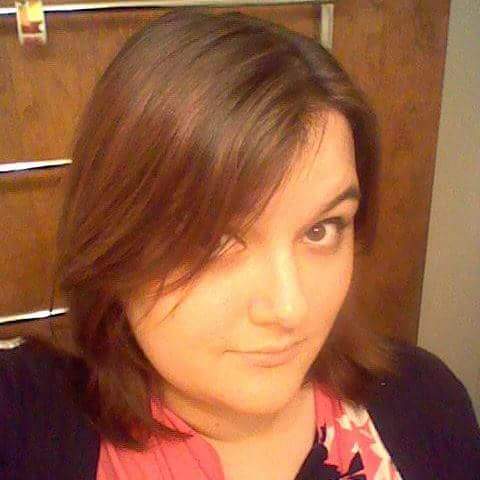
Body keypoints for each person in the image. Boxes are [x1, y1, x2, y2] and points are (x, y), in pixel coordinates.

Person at [1, 9, 479, 480]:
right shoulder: (28, 422)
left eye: (321, 229)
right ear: (114, 237)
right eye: (215, 240)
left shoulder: (424, 402)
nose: (290, 309)